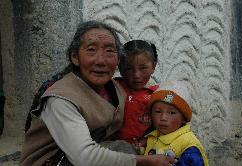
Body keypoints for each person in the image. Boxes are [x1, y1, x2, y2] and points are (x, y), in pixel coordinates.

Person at [20, 20, 175, 166]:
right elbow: (85, 157)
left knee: (124, 148)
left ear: (118, 59)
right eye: (91, 50)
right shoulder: (61, 99)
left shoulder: (116, 89)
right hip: (55, 161)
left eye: (109, 51)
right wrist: (143, 161)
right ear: (75, 57)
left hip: (83, 154)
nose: (101, 60)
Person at [144, 81, 209, 166]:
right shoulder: (152, 137)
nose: (163, 118)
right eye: (158, 111)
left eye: (171, 113)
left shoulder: (189, 145)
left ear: (183, 119)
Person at [115, 40, 159, 144]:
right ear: (120, 68)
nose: (136, 75)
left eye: (143, 68)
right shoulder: (114, 88)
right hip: (114, 148)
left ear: (153, 66)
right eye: (129, 68)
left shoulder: (157, 94)